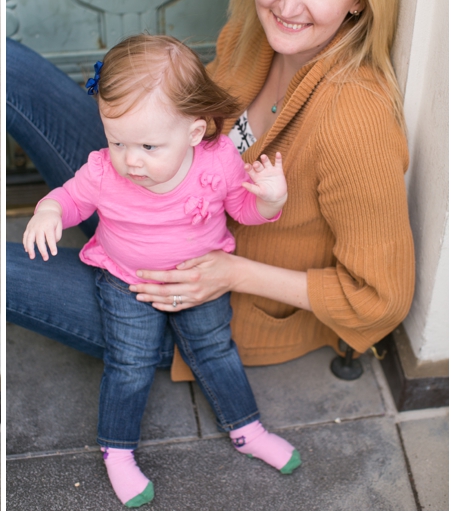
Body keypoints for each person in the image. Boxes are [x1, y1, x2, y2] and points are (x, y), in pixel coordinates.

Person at [7, 0, 414, 491]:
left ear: (359, 0)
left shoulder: (356, 120)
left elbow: (381, 297)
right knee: (11, 68)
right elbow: (171, 128)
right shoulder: (252, 43)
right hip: (140, 187)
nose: (288, 4)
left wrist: (231, 274)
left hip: (194, 290)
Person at [22, 35, 299, 507]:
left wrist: (270, 198)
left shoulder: (218, 163)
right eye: (117, 141)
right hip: (127, 281)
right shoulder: (105, 172)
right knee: (128, 367)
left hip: (201, 277)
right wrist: (49, 210)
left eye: (149, 145)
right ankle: (117, 449)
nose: (132, 160)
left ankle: (246, 428)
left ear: (194, 132)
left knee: (216, 350)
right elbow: (71, 197)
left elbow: (243, 209)